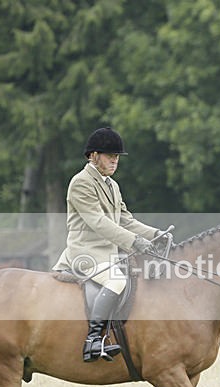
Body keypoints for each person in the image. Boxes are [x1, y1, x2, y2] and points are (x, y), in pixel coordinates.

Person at [53, 127, 168, 362]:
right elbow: (98, 222)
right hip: (85, 252)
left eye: (117, 156)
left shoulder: (111, 185)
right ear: (93, 156)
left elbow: (125, 219)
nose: (115, 160)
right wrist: (134, 241)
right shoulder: (81, 183)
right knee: (116, 280)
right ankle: (93, 340)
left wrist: (156, 234)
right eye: (109, 155)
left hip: (109, 253)